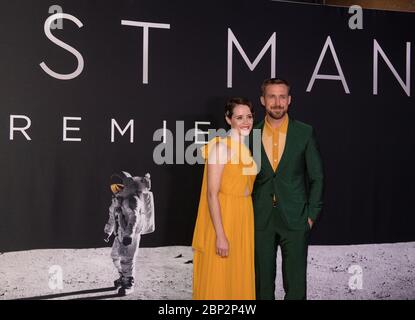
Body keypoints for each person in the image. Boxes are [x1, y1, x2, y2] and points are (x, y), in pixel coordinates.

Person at [251, 78, 324, 300]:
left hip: (296, 218)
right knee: (262, 285)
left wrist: (311, 215)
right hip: (260, 218)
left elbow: (317, 177)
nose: (277, 102)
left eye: (282, 96)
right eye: (272, 96)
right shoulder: (250, 135)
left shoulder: (304, 132)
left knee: (296, 287)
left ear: (289, 100)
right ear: (263, 100)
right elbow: (244, 180)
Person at [192, 97, 257, 299]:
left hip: (242, 218)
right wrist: (220, 235)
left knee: (237, 277)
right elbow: (212, 194)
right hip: (223, 219)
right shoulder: (221, 148)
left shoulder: (245, 149)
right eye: (239, 117)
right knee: (219, 280)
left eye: (249, 116)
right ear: (229, 120)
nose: (246, 121)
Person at [104, 171, 154, 296]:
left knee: (127, 259)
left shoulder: (132, 200)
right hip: (120, 233)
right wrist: (108, 231)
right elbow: (112, 216)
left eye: (119, 187)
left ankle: (128, 283)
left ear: (127, 186)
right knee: (115, 255)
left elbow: (134, 219)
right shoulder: (117, 201)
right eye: (113, 188)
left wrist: (129, 235)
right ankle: (123, 276)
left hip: (130, 235)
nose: (116, 190)